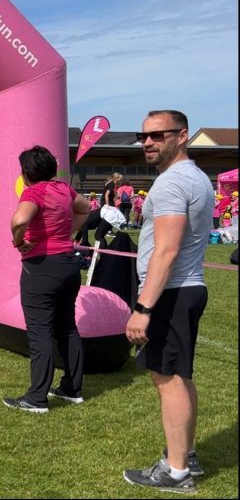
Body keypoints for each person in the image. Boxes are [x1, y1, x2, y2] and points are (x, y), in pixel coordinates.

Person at [122, 110, 212, 494]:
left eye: (159, 135)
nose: (148, 142)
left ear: (183, 136)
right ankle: (186, 453)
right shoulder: (196, 177)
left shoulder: (173, 182)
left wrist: (143, 308)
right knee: (179, 377)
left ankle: (176, 472)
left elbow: (167, 250)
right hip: (185, 289)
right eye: (144, 136)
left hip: (171, 292)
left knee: (168, 380)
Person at [4, 145, 90, 414]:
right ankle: (71, 388)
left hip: (42, 266)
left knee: (40, 332)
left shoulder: (34, 192)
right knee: (67, 327)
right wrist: (68, 232)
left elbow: (19, 220)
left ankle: (36, 397)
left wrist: (20, 242)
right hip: (68, 263)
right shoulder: (64, 189)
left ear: (26, 173)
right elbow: (85, 207)